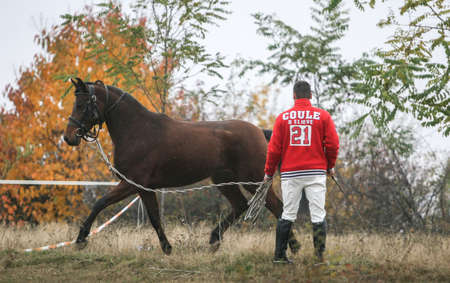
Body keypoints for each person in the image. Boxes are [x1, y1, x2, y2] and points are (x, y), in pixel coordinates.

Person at [264, 80, 339, 264]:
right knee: (318, 214)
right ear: (311, 95)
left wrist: (268, 173)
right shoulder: (323, 116)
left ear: (294, 96)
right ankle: (319, 258)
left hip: (290, 173)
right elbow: (333, 144)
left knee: (288, 214)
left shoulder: (283, 118)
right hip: (315, 172)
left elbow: (274, 149)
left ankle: (279, 257)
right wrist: (330, 166)